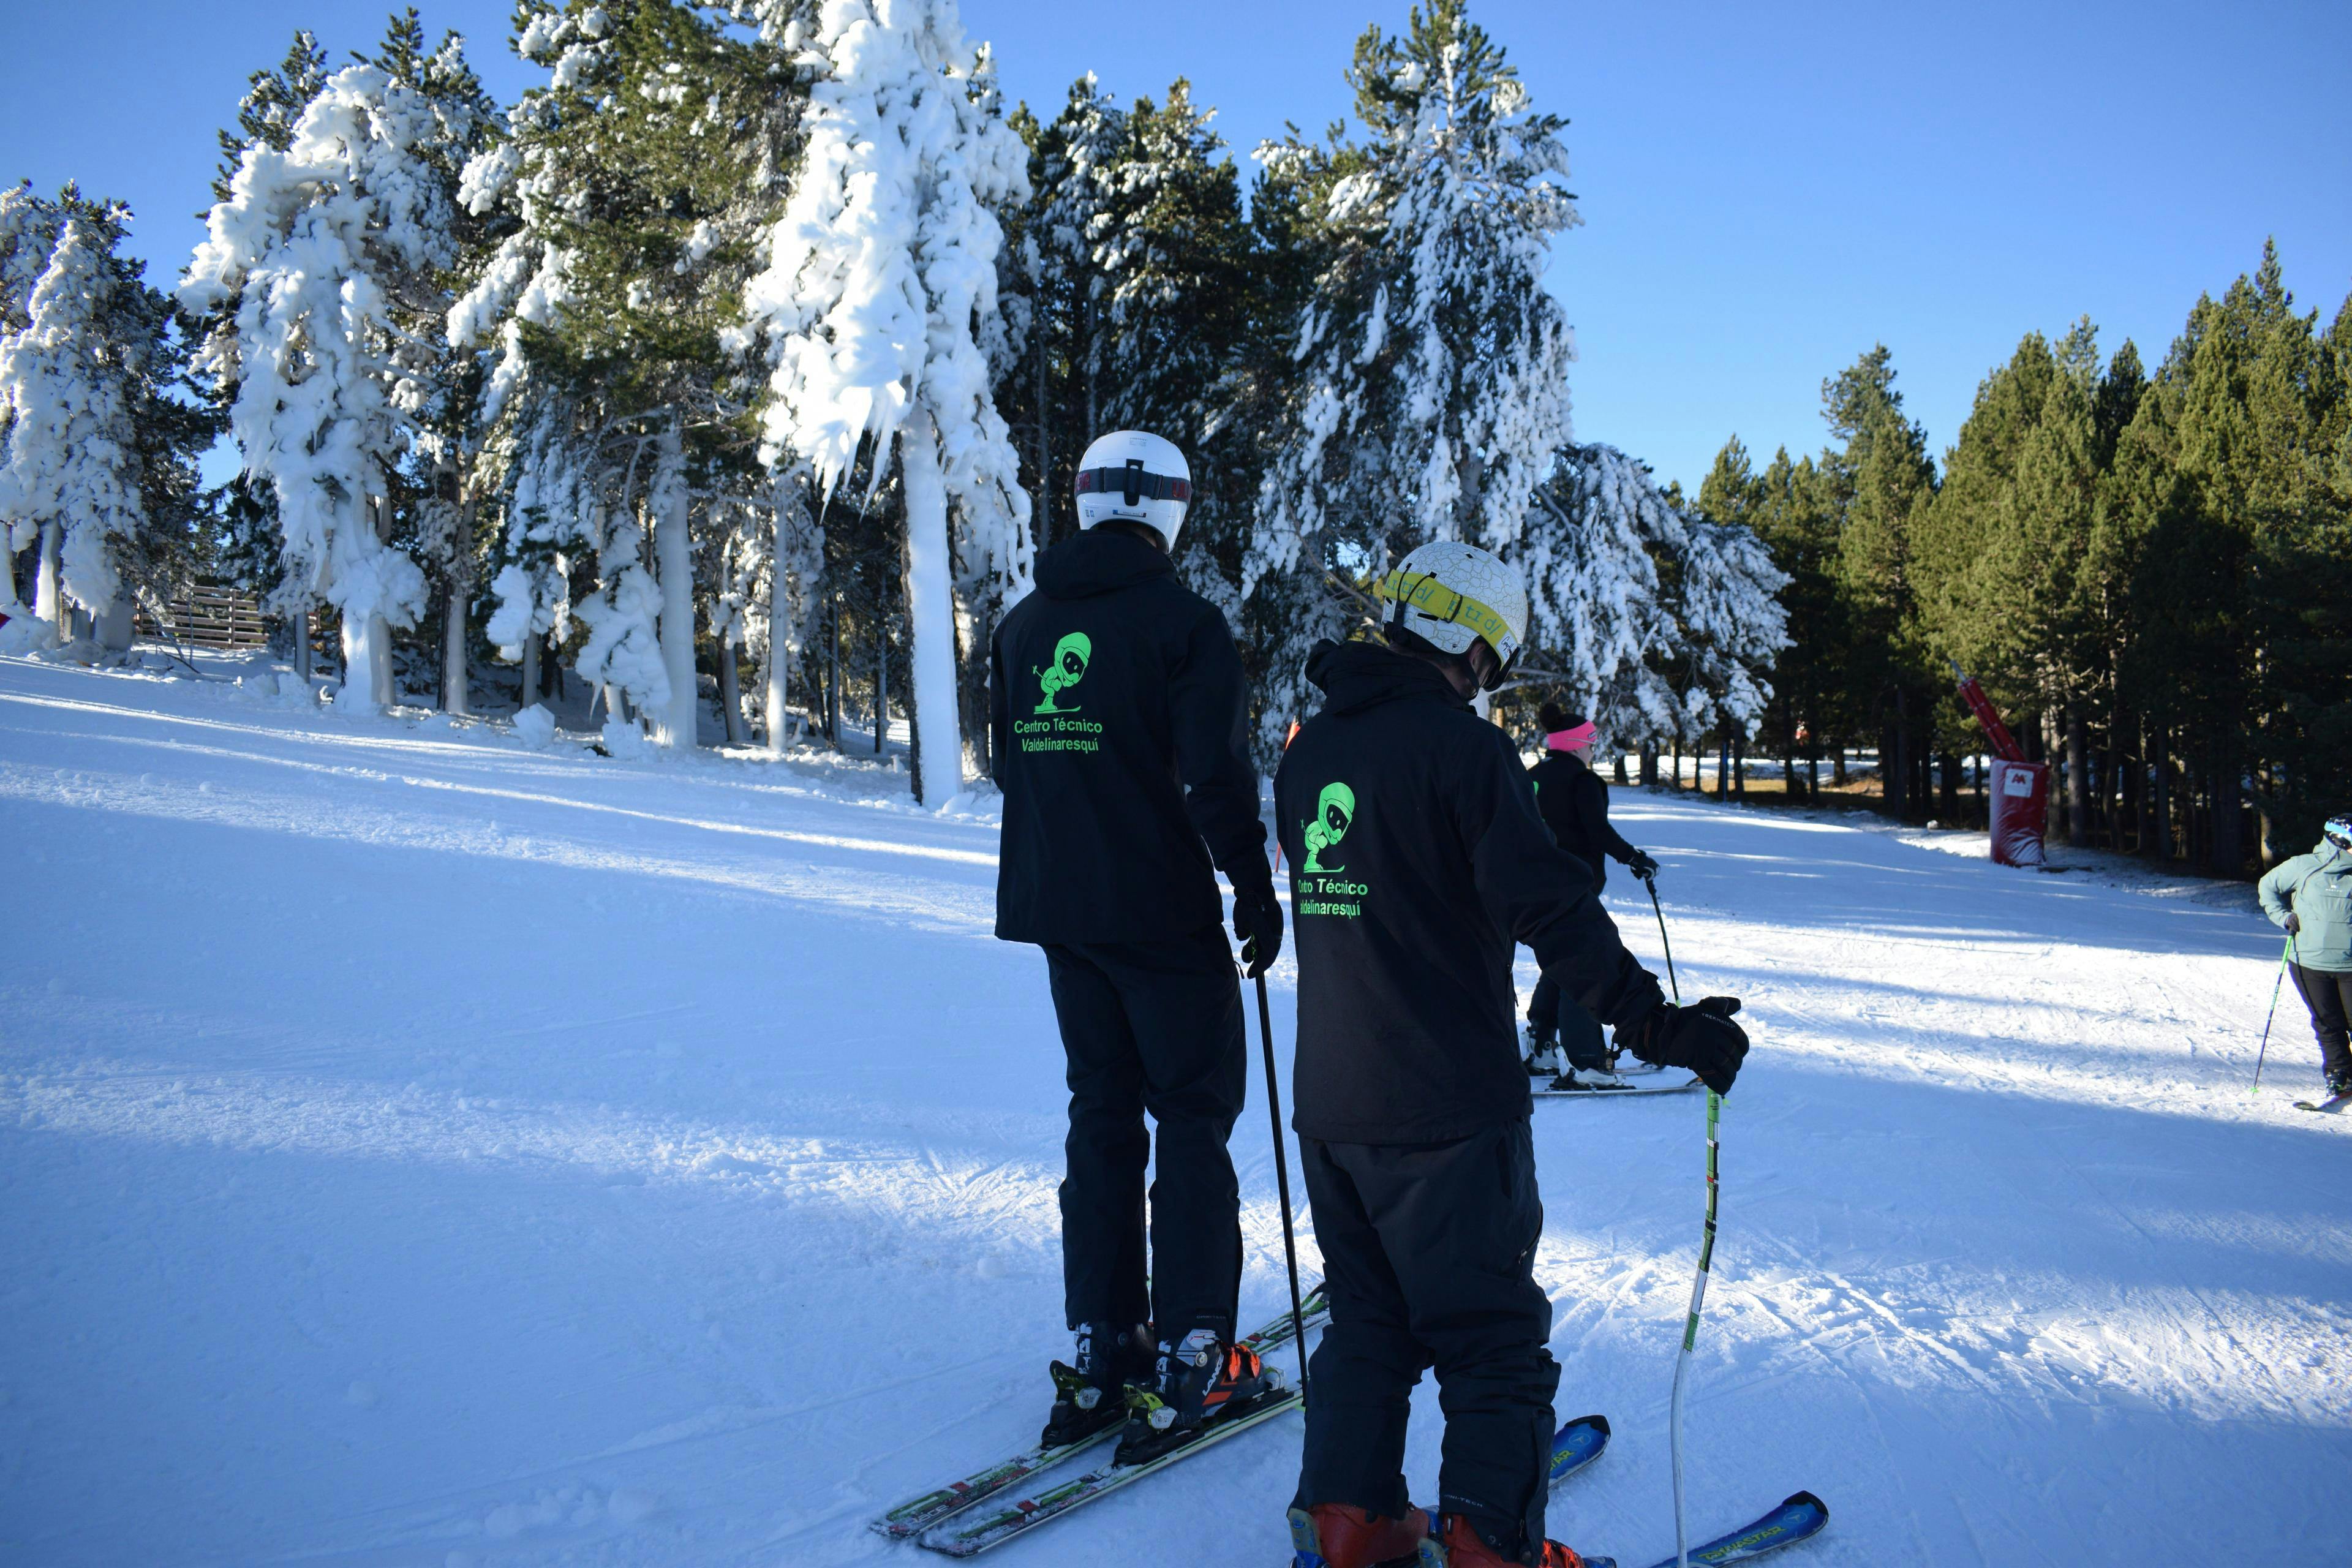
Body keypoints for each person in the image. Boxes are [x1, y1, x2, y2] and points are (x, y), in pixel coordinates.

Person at [1274, 541, 1751, 1568]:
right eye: (1492, 654)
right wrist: (1657, 1025)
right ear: (1472, 646)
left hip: (1334, 1102)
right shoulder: (1462, 751)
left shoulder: (1308, 748)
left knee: (1368, 1318)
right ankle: (1493, 1543)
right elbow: (1553, 909)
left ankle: (1347, 1521)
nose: (1490, 676)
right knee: (1490, 1336)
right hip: (1446, 1104)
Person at [989, 429, 1286, 1461]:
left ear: (1080, 502)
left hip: (1058, 909)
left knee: (1103, 1117)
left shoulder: (1024, 625)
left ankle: (1107, 1336)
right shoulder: (1186, 623)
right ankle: (1196, 1347)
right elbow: (1216, 774)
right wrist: (1253, 884)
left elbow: (1004, 764)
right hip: (1159, 914)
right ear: (1172, 508)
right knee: (1194, 1121)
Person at [1521, 703, 1658, 1081]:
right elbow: (1597, 832)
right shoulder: (1582, 780)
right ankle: (1586, 1060)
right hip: (1572, 885)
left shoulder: (1532, 776)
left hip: (1533, 886)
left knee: (1559, 957)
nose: (1593, 750)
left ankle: (1541, 1045)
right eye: (1591, 743)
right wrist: (1634, 858)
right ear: (1578, 744)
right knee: (1583, 962)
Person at [2258, 815, 2352, 1110]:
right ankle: (2340, 1076)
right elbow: (2268, 887)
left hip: (2350, 965)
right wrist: (2284, 916)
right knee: (2327, 1022)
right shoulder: (2304, 866)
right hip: (2308, 962)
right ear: (2340, 841)